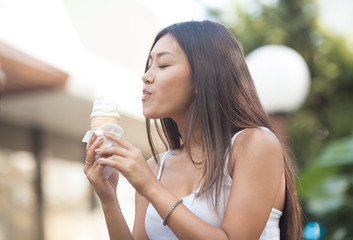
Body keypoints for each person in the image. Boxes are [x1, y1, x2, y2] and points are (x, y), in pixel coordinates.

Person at [84, 20, 302, 240]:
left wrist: (150, 187)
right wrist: (108, 198)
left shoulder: (255, 144)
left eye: (163, 65)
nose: (146, 76)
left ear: (203, 77)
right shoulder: (153, 168)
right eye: (148, 65)